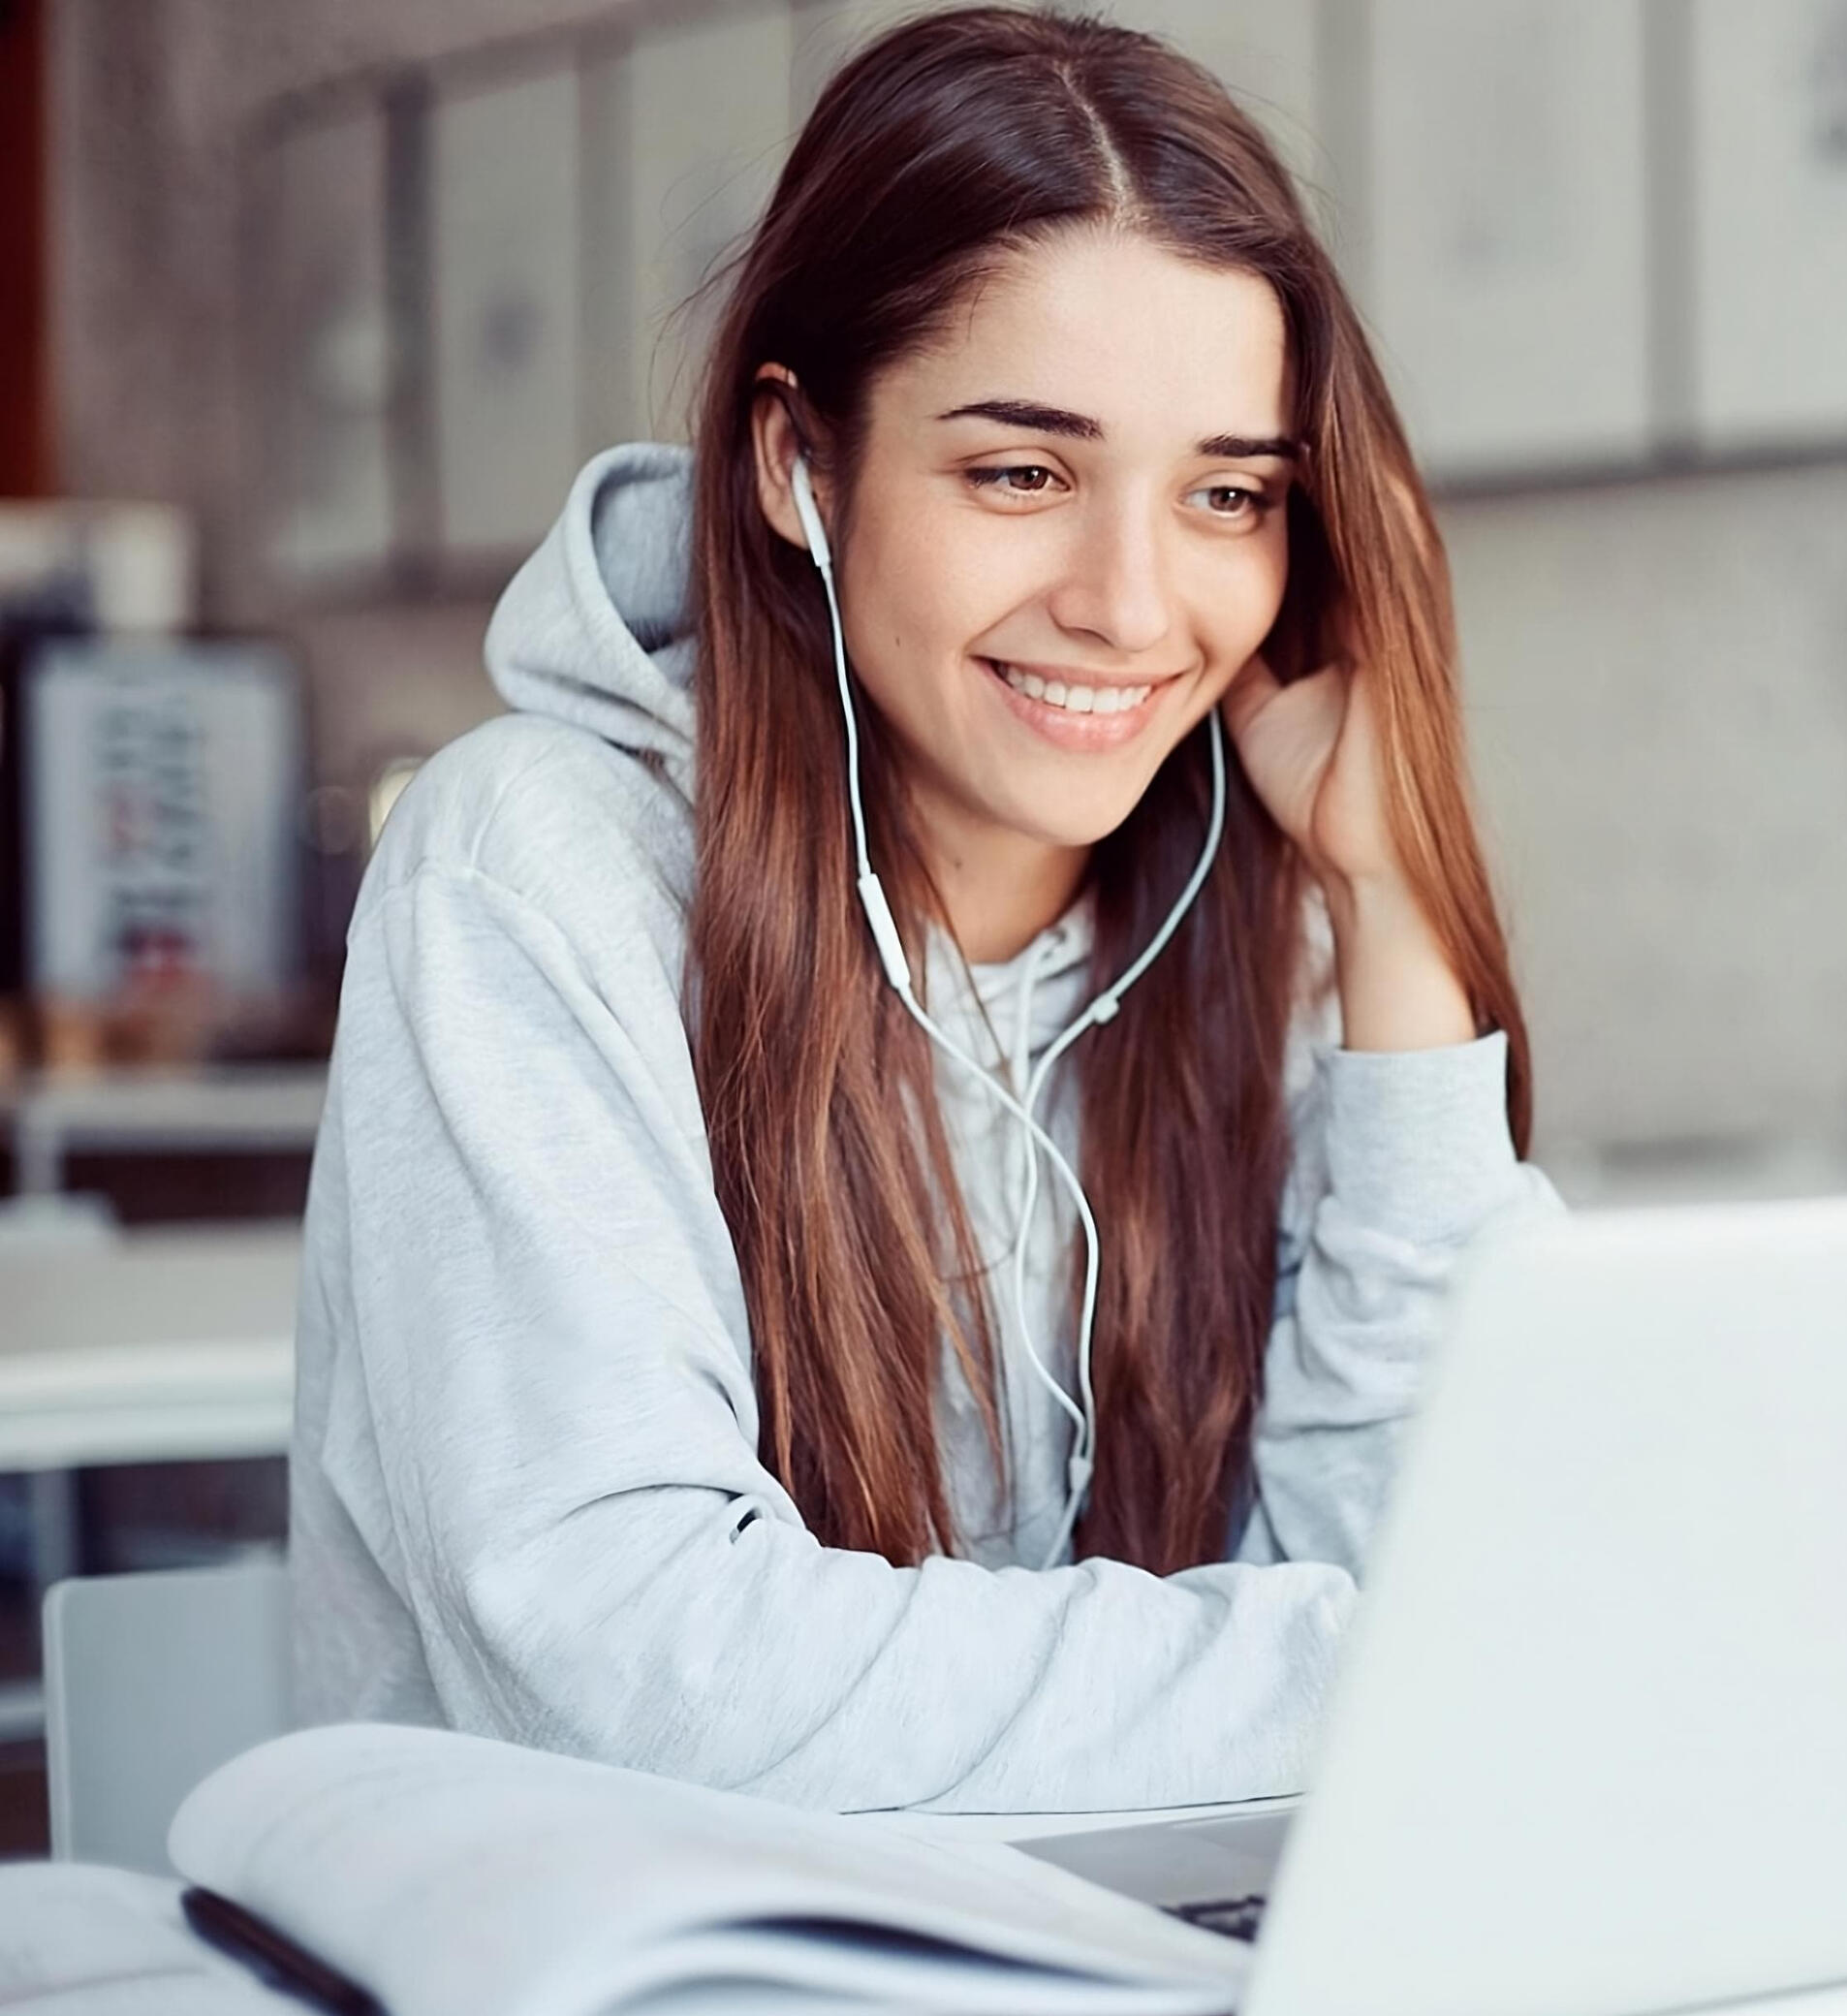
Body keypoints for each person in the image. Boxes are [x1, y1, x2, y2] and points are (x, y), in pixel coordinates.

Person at [289, 5, 1557, 1812]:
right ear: (800, 465)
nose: (1132, 604)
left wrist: (1391, 899)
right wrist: (1401, 1671)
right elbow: (635, 1669)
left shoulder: (1245, 908)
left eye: (1225, 494)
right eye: (1022, 472)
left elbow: (1451, 1541)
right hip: (590, 2014)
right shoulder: (534, 869)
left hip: (1100, 1984)